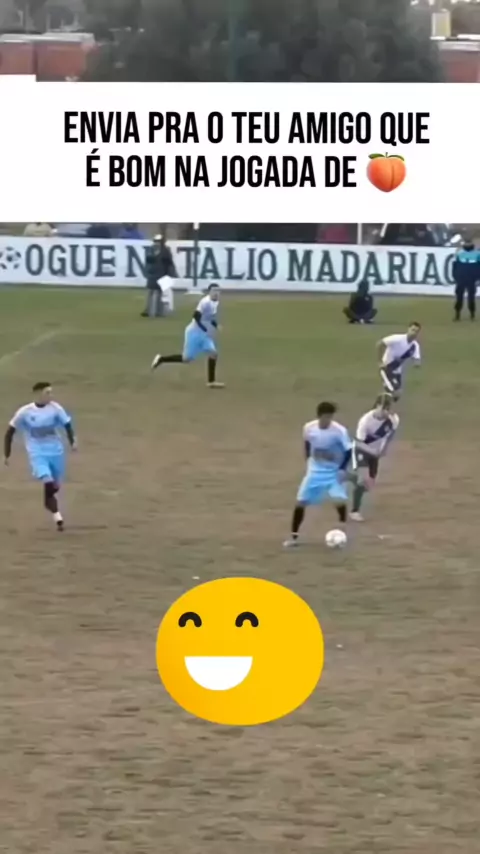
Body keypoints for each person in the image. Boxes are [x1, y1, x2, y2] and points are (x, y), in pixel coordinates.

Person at [3, 382, 77, 531]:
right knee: (47, 480)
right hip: (37, 452)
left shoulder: (55, 408)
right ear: (38, 394)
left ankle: (49, 503)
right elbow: (9, 432)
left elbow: (67, 425)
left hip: (56, 451)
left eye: (51, 392)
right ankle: (57, 516)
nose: (51, 395)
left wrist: (72, 442)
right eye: (47, 392)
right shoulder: (25, 412)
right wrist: (7, 454)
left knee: (54, 487)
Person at [283, 402, 352, 548]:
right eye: (326, 417)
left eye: (331, 417)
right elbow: (307, 442)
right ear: (319, 416)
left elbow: (348, 450)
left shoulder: (339, 431)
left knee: (339, 500)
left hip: (333, 471)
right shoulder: (309, 428)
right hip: (315, 470)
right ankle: (294, 537)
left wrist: (342, 469)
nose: (329, 420)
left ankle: (343, 530)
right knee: (301, 502)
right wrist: (309, 459)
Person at [151, 283, 224, 388]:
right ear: (209, 292)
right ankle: (161, 359)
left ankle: (211, 381)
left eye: (218, 290)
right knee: (186, 359)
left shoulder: (215, 302)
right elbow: (196, 316)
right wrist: (203, 328)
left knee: (213, 354)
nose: (216, 293)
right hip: (194, 333)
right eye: (214, 290)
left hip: (204, 334)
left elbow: (210, 317)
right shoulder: (205, 302)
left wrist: (216, 325)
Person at [350, 393, 399, 522]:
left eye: (389, 409)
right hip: (361, 450)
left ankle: (349, 477)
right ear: (378, 406)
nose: (387, 412)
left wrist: (385, 449)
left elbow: (390, 435)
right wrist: (372, 451)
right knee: (363, 479)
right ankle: (354, 511)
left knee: (369, 485)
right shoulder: (365, 421)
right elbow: (359, 443)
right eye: (384, 408)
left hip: (375, 453)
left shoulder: (393, 420)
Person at [377, 322, 421, 400]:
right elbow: (380, 343)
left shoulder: (415, 345)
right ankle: (382, 403)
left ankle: (382, 403)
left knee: (396, 396)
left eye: (416, 331)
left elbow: (416, 358)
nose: (414, 333)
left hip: (397, 371)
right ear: (408, 329)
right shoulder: (397, 338)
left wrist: (416, 363)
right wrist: (380, 362)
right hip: (387, 368)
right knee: (396, 392)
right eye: (413, 330)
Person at [142, 234, 177, 318]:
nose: (156, 243)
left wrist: (169, 274)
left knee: (160, 294)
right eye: (156, 241)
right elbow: (148, 262)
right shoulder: (151, 250)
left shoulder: (165, 251)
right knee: (151, 292)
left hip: (162, 274)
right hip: (153, 274)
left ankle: (159, 311)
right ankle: (148, 310)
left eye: (158, 242)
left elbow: (169, 264)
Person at [452, 239, 480, 321]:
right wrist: (456, 277)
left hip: (471, 279)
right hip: (462, 279)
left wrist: (478, 279)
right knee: (459, 297)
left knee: (471, 297)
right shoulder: (459, 254)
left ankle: (472, 314)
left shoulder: (477, 254)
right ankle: (457, 314)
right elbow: (455, 267)